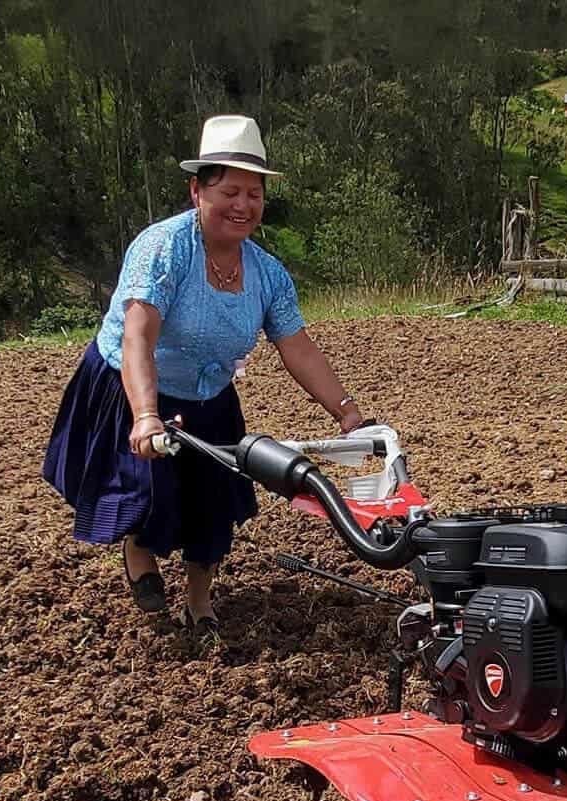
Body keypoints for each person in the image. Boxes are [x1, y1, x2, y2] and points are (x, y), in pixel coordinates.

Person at [42, 113, 367, 630]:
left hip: (208, 396)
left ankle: (199, 599)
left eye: (254, 194)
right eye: (229, 191)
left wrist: (348, 413)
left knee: (211, 509)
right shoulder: (164, 249)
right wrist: (145, 415)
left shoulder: (266, 273)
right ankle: (138, 553)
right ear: (197, 191)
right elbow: (139, 336)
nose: (242, 205)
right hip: (133, 383)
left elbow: (297, 346)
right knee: (148, 494)